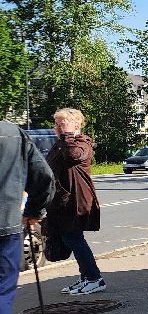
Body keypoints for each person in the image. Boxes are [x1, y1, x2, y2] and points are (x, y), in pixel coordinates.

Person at [0, 120, 54, 314]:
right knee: (1, 292)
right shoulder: (12, 133)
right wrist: (33, 211)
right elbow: (43, 176)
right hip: (5, 226)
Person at [46, 108, 105, 295]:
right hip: (63, 202)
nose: (58, 127)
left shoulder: (82, 142)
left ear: (76, 124)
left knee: (74, 238)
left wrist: (68, 135)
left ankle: (95, 278)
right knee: (70, 238)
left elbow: (73, 156)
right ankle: (86, 277)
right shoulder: (61, 144)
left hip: (77, 201)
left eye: (63, 123)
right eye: (57, 123)